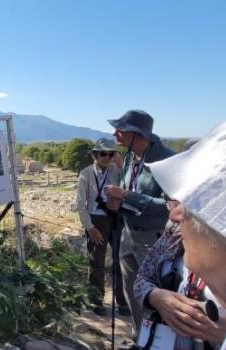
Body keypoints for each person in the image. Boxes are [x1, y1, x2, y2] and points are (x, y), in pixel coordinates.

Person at [146, 122, 226, 349]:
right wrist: (158, 297)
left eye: (190, 205)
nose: (175, 214)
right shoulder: (174, 235)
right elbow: (146, 275)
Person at [104, 110, 175, 333]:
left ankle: (158, 342)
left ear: (138, 134)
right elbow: (129, 190)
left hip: (154, 239)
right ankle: (139, 337)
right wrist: (118, 203)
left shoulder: (166, 160)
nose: (115, 134)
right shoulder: (129, 158)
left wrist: (127, 196)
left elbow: (170, 206)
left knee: (156, 297)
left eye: (121, 129)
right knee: (132, 291)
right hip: (128, 234)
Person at [76, 138, 129, 316]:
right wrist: (90, 227)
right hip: (96, 220)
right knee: (96, 262)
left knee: (120, 260)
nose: (107, 157)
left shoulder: (119, 171)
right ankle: (96, 300)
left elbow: (130, 186)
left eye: (111, 153)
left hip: (116, 218)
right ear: (95, 155)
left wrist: (121, 164)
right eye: (103, 153)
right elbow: (81, 205)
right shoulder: (85, 174)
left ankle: (123, 300)